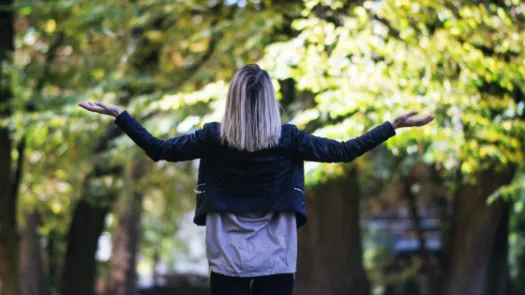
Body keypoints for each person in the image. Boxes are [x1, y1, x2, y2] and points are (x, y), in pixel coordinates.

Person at [79, 63, 434, 295]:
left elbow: (159, 149)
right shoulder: (289, 139)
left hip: (226, 242)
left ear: (232, 100)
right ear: (269, 101)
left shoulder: (212, 137)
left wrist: (121, 116)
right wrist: (391, 127)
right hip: (276, 242)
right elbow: (344, 150)